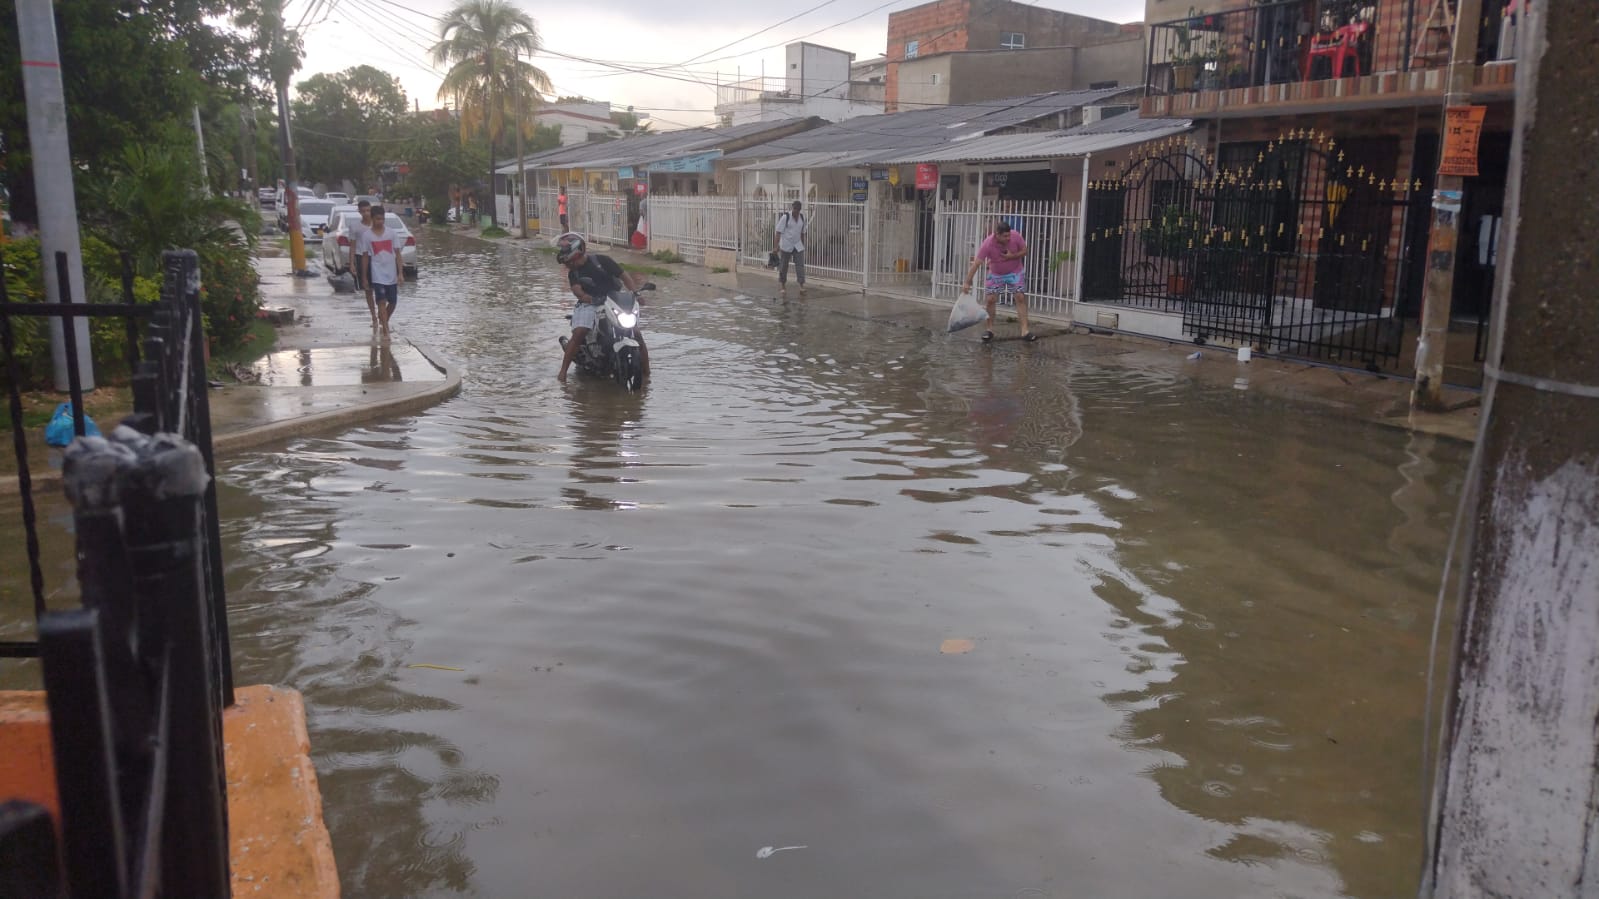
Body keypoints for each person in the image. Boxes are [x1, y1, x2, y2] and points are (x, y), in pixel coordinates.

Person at [555, 233, 650, 383]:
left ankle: (647, 374)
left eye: (564, 249)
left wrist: (636, 294)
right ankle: (563, 373)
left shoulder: (602, 261)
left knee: (636, 332)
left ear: (575, 249)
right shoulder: (574, 273)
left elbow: (624, 276)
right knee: (580, 331)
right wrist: (589, 298)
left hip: (613, 300)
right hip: (589, 303)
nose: (563, 255)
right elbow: (577, 290)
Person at [961, 220, 1034, 342]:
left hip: (1015, 272)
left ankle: (1025, 330)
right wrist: (967, 282)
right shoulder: (988, 244)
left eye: (1009, 235)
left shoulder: (1016, 236)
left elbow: (1025, 251)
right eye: (1005, 236)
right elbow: (977, 263)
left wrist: (1012, 256)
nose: (1008, 238)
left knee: (1020, 297)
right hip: (996, 274)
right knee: (990, 300)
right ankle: (989, 330)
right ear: (997, 234)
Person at [357, 204, 404, 334]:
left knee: (393, 302)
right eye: (377, 219)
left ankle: (383, 319)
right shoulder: (367, 236)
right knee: (381, 301)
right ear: (372, 219)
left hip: (391, 274)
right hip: (377, 274)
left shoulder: (391, 233)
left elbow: (398, 254)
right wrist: (365, 277)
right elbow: (365, 257)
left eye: (382, 219)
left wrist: (400, 273)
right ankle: (386, 329)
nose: (380, 222)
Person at [772, 199, 807, 298]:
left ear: (799, 210)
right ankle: (783, 285)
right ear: (793, 208)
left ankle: (801, 285)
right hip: (786, 245)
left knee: (800, 265)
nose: (796, 212)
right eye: (794, 209)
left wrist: (802, 245)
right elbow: (778, 232)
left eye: (797, 210)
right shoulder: (785, 217)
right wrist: (775, 246)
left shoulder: (801, 218)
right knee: (784, 266)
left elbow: (802, 233)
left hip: (798, 245)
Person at [351, 199, 376, 327]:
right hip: (361, 258)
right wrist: (351, 263)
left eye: (368, 210)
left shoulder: (377, 225)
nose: (366, 213)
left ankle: (381, 313)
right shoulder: (355, 227)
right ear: (359, 212)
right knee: (367, 289)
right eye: (363, 211)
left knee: (380, 288)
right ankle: (374, 317)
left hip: (377, 258)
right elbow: (353, 246)